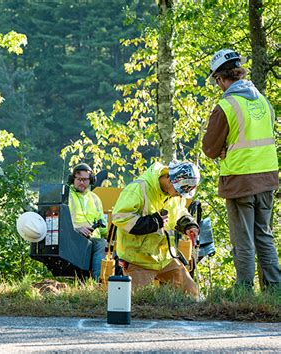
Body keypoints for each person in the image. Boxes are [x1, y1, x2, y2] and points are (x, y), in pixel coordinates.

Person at [202, 49, 280, 290]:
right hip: (267, 177)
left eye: (217, 81)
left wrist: (224, 148)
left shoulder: (226, 105)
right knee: (264, 236)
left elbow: (209, 148)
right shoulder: (263, 101)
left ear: (221, 78)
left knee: (243, 239)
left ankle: (244, 290)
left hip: (240, 180)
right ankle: (275, 289)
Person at [111, 161, 200, 296]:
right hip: (137, 259)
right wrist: (152, 222)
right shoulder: (138, 188)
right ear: (170, 179)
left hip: (164, 258)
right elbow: (120, 217)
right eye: (179, 191)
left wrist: (188, 225)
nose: (180, 196)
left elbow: (179, 212)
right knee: (139, 302)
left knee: (192, 294)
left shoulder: (175, 194)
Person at [67, 163, 107, 281]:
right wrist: (76, 228)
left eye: (85, 180)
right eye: (79, 179)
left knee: (108, 245)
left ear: (91, 181)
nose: (82, 182)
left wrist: (114, 235)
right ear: (72, 179)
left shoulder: (95, 199)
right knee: (100, 244)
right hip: (72, 236)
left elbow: (103, 224)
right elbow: (60, 220)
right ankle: (97, 282)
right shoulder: (66, 196)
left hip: (92, 238)